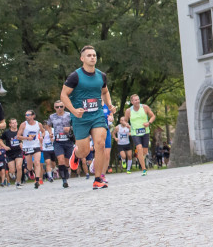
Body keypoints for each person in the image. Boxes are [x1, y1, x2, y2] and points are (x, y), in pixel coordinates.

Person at [61, 45, 113, 189]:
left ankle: (97, 179)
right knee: (84, 151)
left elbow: (105, 91)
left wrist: (109, 105)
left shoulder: (101, 75)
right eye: (89, 55)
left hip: (97, 116)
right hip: (81, 118)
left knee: (100, 144)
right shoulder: (75, 76)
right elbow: (63, 95)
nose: (92, 57)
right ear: (82, 58)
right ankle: (76, 155)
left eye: (94, 55)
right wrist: (73, 110)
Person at [124, 94, 155, 176]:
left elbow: (153, 116)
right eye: (135, 100)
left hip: (145, 132)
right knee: (139, 148)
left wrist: (149, 123)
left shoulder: (145, 107)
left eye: (138, 99)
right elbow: (125, 120)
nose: (137, 101)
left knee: (144, 151)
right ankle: (144, 168)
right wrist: (127, 124)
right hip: (135, 133)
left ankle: (141, 158)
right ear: (132, 102)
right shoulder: (128, 111)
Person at [47, 101, 75, 188]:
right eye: (57, 107)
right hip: (58, 141)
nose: (59, 108)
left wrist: (70, 128)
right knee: (60, 160)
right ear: (54, 108)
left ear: (64, 107)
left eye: (61, 106)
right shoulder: (52, 116)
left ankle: (66, 173)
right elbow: (48, 125)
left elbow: (76, 124)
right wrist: (50, 133)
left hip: (68, 140)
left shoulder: (69, 115)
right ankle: (64, 179)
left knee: (67, 162)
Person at [18, 110, 45, 189]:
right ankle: (30, 171)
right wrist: (27, 138)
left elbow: (43, 132)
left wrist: (41, 137)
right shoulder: (23, 125)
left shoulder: (38, 124)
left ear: (33, 116)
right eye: (26, 115)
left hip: (36, 145)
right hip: (27, 146)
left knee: (37, 162)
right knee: (29, 166)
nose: (27, 116)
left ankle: (37, 181)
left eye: (29, 114)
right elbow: (18, 136)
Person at [1, 118, 24, 187]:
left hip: (18, 151)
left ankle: (18, 182)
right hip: (9, 153)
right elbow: (0, 140)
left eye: (15, 122)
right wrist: (4, 146)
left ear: (17, 123)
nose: (14, 124)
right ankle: (12, 173)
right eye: (13, 123)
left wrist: (22, 143)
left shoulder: (21, 132)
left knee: (19, 167)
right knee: (12, 170)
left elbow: (26, 138)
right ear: (10, 124)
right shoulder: (6, 132)